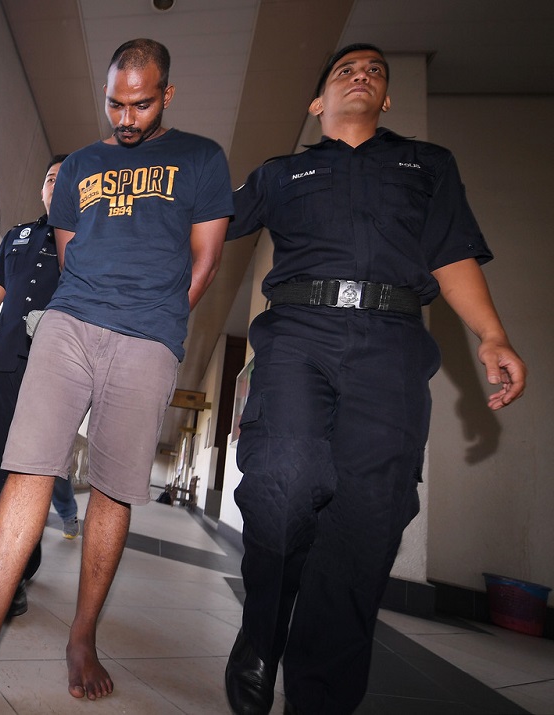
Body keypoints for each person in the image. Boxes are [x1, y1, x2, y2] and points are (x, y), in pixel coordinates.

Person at [0, 38, 233, 703]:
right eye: (116, 103)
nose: (127, 118)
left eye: (142, 105)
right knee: (27, 467)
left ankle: (82, 637)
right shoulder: (80, 165)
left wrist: (160, 322)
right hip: (70, 321)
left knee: (111, 487)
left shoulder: (201, 158)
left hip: (148, 336)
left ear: (167, 95)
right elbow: (69, 253)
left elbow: (205, 259)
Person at [222, 44, 527, 715]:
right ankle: (261, 633)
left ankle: (320, 697)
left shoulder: (427, 164)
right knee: (283, 483)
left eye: (374, 72)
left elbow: (450, 253)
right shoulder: (281, 172)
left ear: (386, 99)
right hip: (298, 334)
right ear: (317, 102)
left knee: (368, 519)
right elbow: (205, 221)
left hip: (392, 344)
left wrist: (492, 334)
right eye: (345, 70)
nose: (361, 75)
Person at [0, 156, 80, 616]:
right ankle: (6, 552)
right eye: (50, 178)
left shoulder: (87, 238)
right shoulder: (19, 235)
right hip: (6, 359)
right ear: (41, 189)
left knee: (31, 468)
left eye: (66, 179)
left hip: (54, 367)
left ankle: (15, 565)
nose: (55, 185)